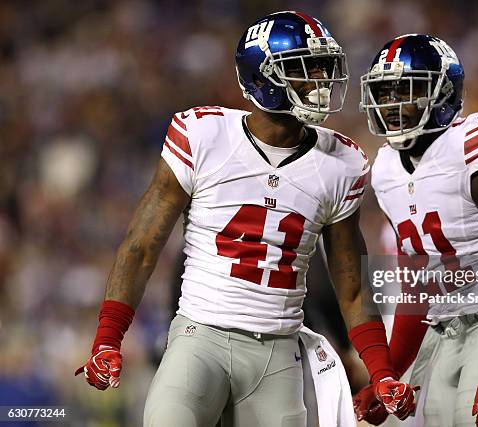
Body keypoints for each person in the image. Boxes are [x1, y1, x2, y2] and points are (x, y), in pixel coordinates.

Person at [75, 12, 417, 427]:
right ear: (263, 77)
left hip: (278, 352)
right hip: (199, 337)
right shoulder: (203, 134)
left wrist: (380, 371)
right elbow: (141, 244)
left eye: (323, 66)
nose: (321, 80)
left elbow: (352, 286)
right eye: (303, 69)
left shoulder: (341, 163)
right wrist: (108, 337)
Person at [352, 34, 478, 427]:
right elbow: (417, 287)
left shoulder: (476, 143)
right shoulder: (384, 169)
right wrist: (389, 373)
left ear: (442, 93)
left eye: (406, 91)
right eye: (384, 92)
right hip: (443, 327)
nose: (392, 106)